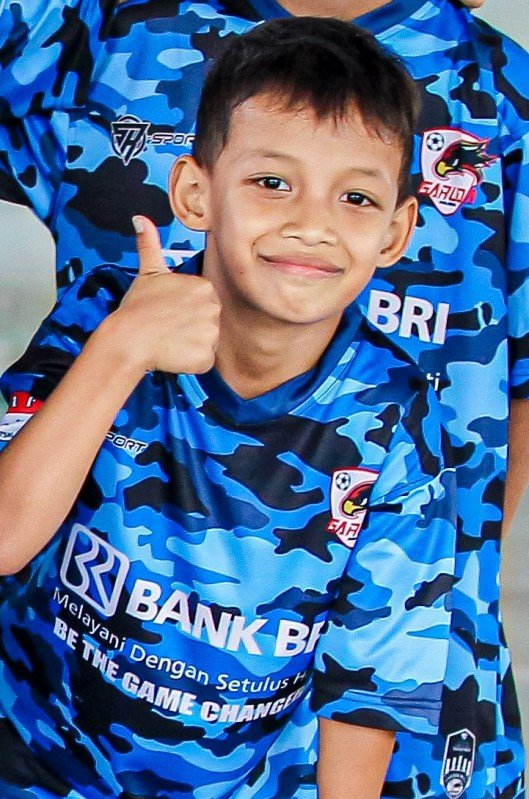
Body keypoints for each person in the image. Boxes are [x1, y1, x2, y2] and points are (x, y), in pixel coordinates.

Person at [0, 1, 527, 798]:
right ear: (193, 192)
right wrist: (120, 349)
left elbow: (366, 695)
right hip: (42, 753)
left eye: (355, 199)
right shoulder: (105, 315)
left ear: (397, 231)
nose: (311, 224)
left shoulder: (398, 424)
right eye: (272, 183)